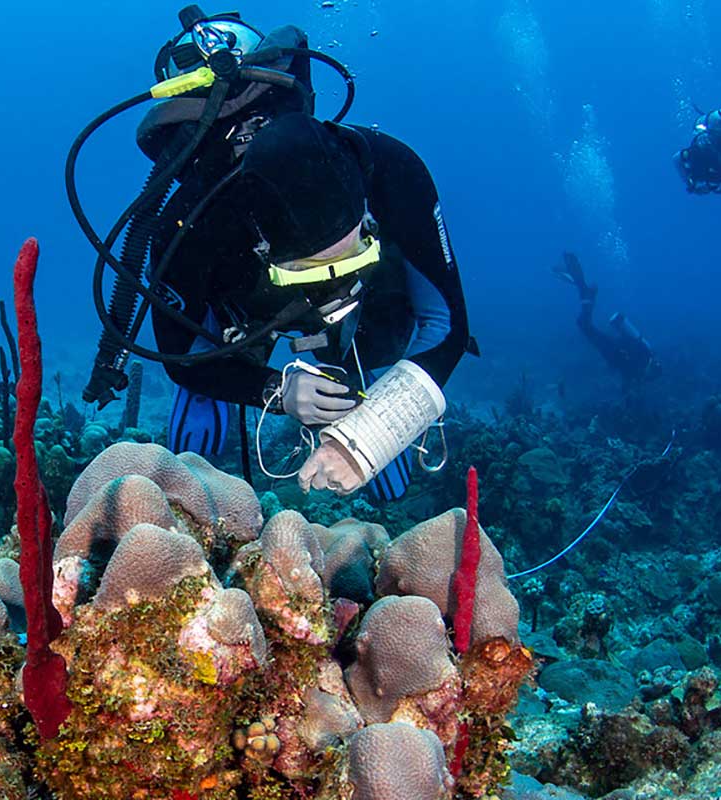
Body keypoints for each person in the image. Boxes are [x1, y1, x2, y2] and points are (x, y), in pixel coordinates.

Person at [84, 9, 478, 501]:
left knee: (384, 347)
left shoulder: (393, 170)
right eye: (309, 270)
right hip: (251, 317)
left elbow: (447, 326)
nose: (334, 291)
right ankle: (248, 382)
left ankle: (365, 368)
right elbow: (180, 358)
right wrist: (274, 390)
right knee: (198, 427)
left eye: (358, 247)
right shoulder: (188, 229)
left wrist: (373, 433)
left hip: (377, 323)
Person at [553, 252, 661, 394]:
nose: (646, 378)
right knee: (583, 324)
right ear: (651, 371)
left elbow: (626, 373)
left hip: (609, 349)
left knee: (583, 324)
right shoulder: (643, 358)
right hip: (610, 347)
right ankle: (585, 290)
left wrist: (627, 386)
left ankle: (585, 291)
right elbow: (627, 354)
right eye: (650, 376)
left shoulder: (642, 363)